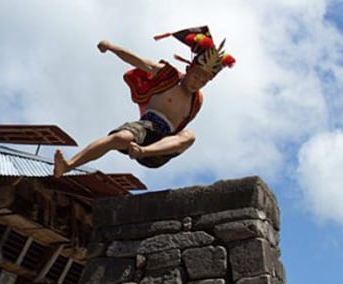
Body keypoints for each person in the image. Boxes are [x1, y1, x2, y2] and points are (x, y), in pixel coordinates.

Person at [53, 28, 236, 177]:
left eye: (203, 82)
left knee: (190, 136)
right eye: (196, 77)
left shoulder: (197, 100)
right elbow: (137, 60)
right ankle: (69, 165)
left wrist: (148, 150)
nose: (198, 83)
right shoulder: (168, 76)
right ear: (188, 69)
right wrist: (111, 47)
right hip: (145, 126)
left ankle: (143, 152)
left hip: (160, 146)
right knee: (119, 138)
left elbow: (180, 134)